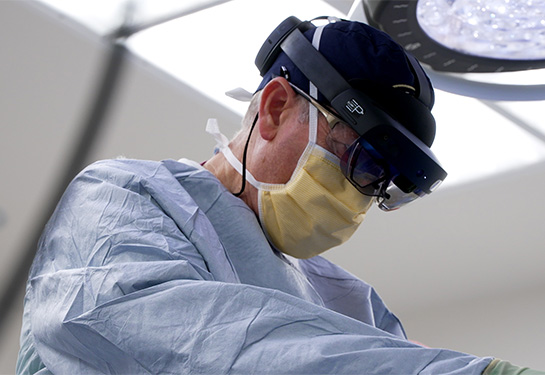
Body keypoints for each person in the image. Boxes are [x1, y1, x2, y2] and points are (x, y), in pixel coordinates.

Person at [16, 16, 543, 375]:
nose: (361, 197)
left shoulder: (347, 303)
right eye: (362, 160)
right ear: (274, 108)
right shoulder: (125, 199)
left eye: (382, 186)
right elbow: (201, 344)